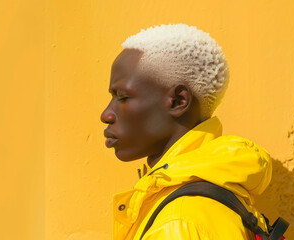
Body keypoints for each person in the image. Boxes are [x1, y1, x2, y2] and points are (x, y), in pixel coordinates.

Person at [101, 23, 272, 240]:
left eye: (122, 97)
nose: (106, 115)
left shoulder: (178, 224)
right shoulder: (209, 196)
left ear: (177, 101)